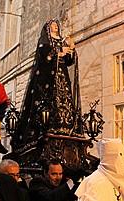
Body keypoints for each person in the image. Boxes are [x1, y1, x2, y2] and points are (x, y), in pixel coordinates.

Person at [11, 19, 82, 158]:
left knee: (65, 100)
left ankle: (65, 126)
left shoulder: (62, 40)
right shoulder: (44, 41)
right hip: (50, 78)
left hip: (62, 75)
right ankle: (47, 126)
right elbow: (45, 55)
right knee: (50, 100)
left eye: (57, 25)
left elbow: (68, 61)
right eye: (53, 25)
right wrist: (60, 51)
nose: (56, 26)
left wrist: (71, 49)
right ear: (48, 28)